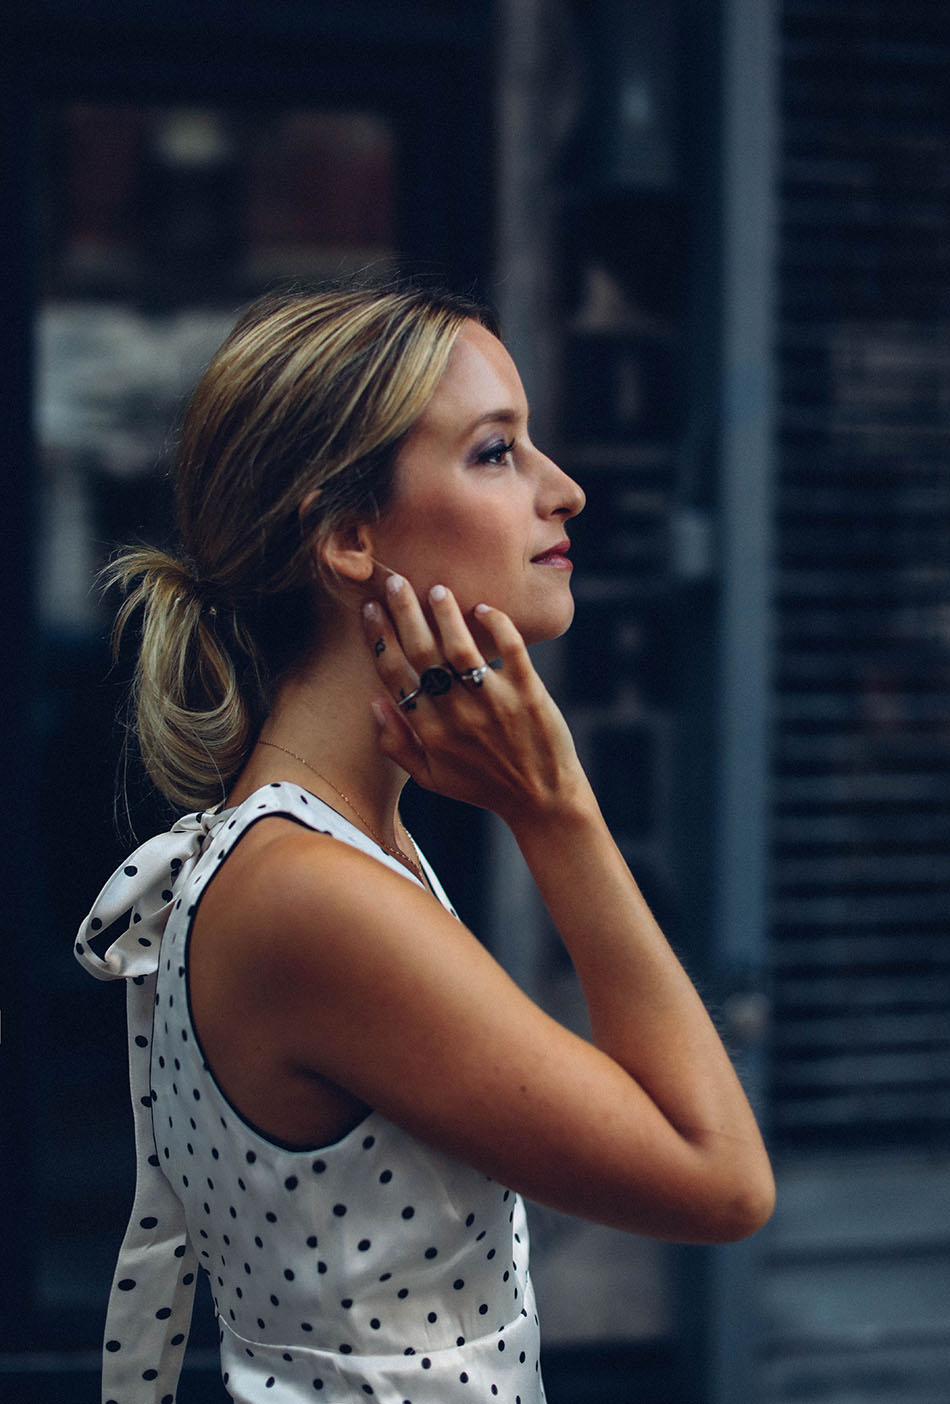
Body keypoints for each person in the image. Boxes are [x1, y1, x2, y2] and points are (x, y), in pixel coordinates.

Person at [76, 282, 775, 1404]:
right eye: (497, 452)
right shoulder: (311, 895)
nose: (566, 489)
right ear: (349, 538)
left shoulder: (327, 853)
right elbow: (720, 1181)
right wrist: (560, 814)